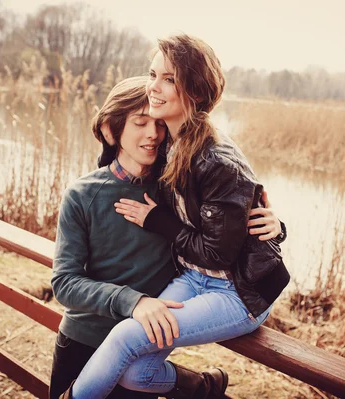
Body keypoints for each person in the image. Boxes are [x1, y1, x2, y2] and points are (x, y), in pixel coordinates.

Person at [63, 34, 290, 399]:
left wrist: (275, 228)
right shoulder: (167, 142)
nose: (153, 86)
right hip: (194, 277)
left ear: (195, 92)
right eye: (152, 74)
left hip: (237, 292)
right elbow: (118, 157)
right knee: (136, 374)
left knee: (126, 336)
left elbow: (220, 252)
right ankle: (205, 387)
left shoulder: (216, 160)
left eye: (168, 79)